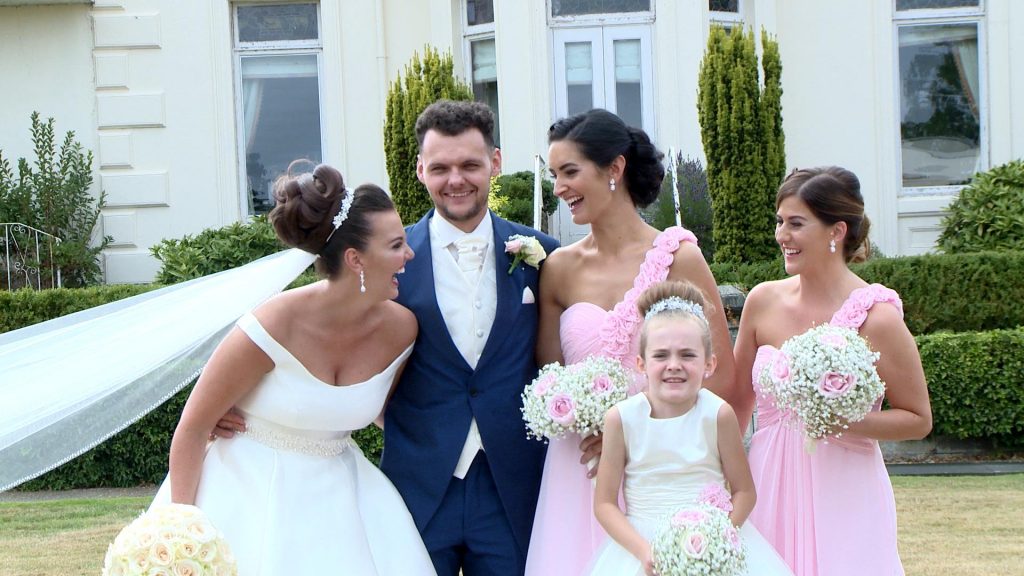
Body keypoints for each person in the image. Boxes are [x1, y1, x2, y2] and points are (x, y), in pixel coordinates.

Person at [153, 164, 437, 575]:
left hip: (344, 505)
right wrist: (181, 533)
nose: (409, 254)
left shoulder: (402, 330)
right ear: (356, 259)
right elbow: (193, 427)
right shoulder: (271, 325)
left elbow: (385, 416)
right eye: (396, 246)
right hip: (246, 496)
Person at [526, 109, 746, 575]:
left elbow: (721, 373)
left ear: (615, 169)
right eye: (554, 175)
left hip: (661, 470)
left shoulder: (678, 257)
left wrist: (636, 434)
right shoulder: (558, 269)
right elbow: (549, 377)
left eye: (570, 172)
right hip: (579, 472)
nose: (559, 187)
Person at [735, 166, 933, 575]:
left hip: (843, 488)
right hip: (768, 485)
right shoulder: (762, 301)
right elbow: (735, 403)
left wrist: (842, 419)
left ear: (835, 231)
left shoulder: (876, 317)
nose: (781, 236)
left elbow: (917, 419)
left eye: (795, 223)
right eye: (779, 222)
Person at [589, 281, 792, 576]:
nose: (674, 365)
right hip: (641, 548)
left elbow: (745, 491)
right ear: (641, 363)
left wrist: (715, 539)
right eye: (660, 355)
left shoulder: (718, 414)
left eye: (687, 355)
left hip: (709, 543)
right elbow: (605, 504)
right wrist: (645, 552)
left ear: (709, 363)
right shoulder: (621, 418)